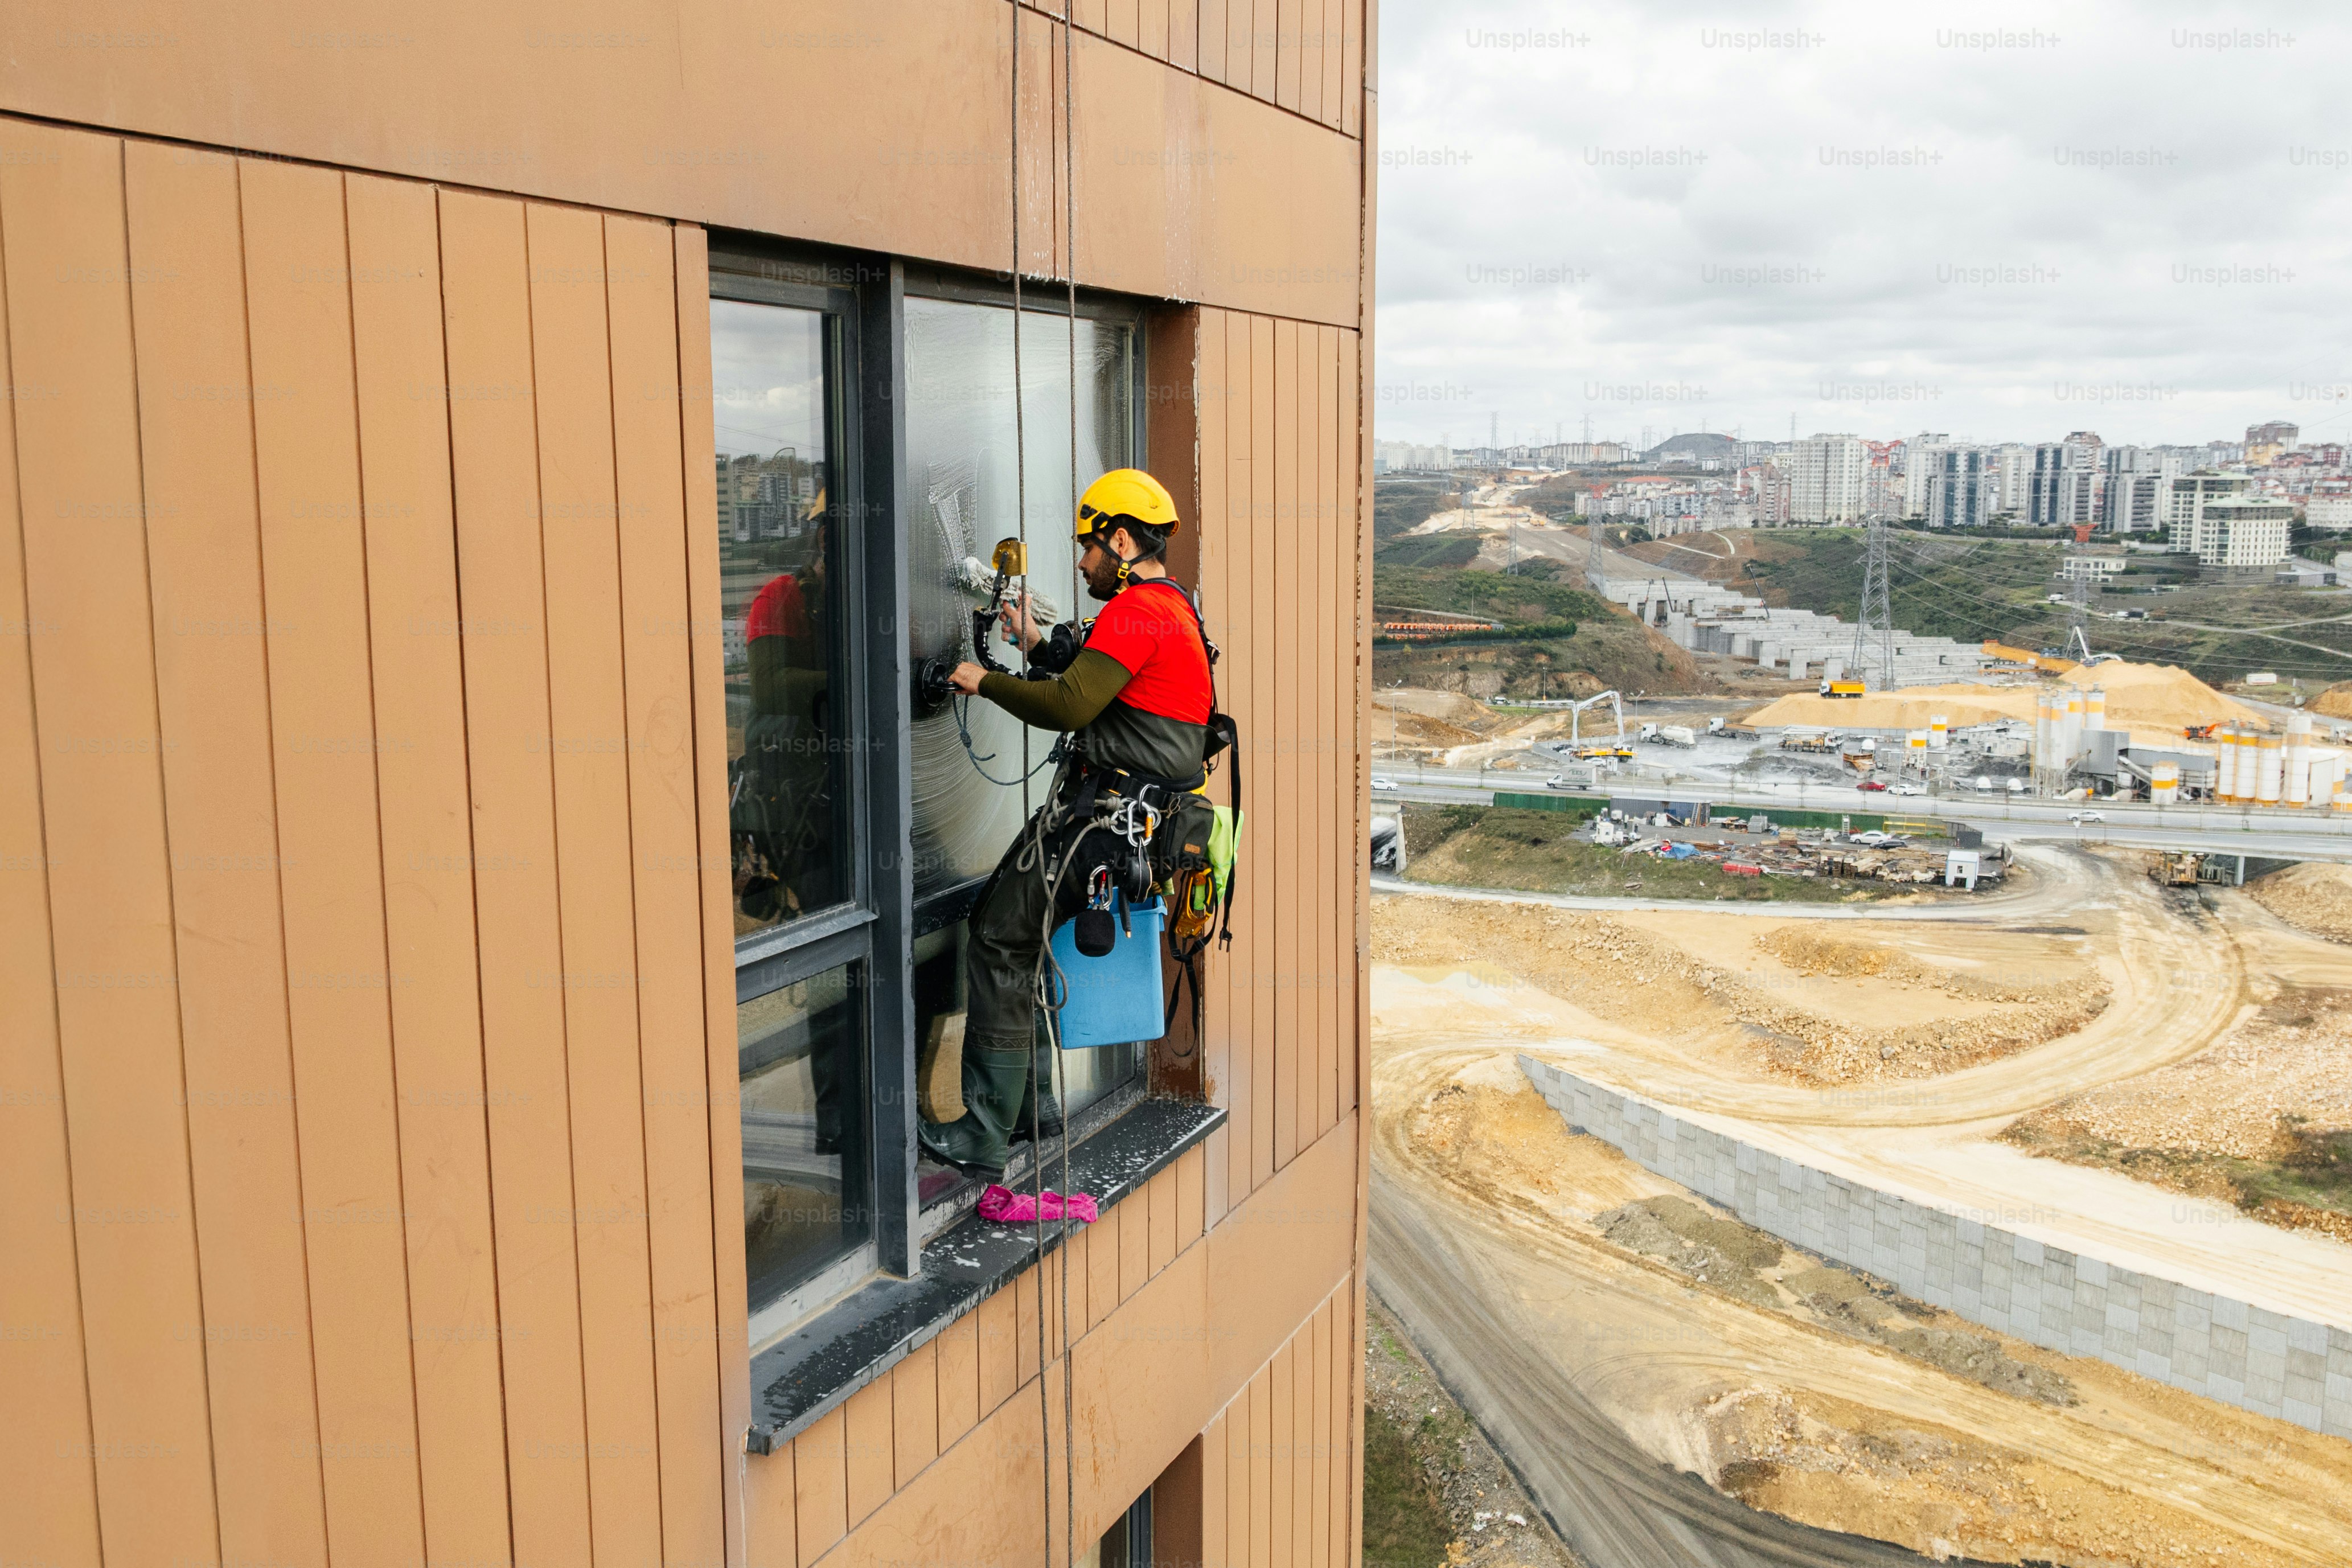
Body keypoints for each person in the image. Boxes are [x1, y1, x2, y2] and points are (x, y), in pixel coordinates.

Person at [918, 469, 1218, 1178]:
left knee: (997, 937)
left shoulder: (1135, 611)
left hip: (1105, 827)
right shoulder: (1170, 608)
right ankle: (1033, 1110)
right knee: (1011, 930)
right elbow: (1104, 676)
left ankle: (988, 1132)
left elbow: (1069, 706)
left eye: (1088, 547)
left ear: (1119, 540)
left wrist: (978, 678)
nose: (1082, 562)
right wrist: (1032, 640)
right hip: (1126, 824)